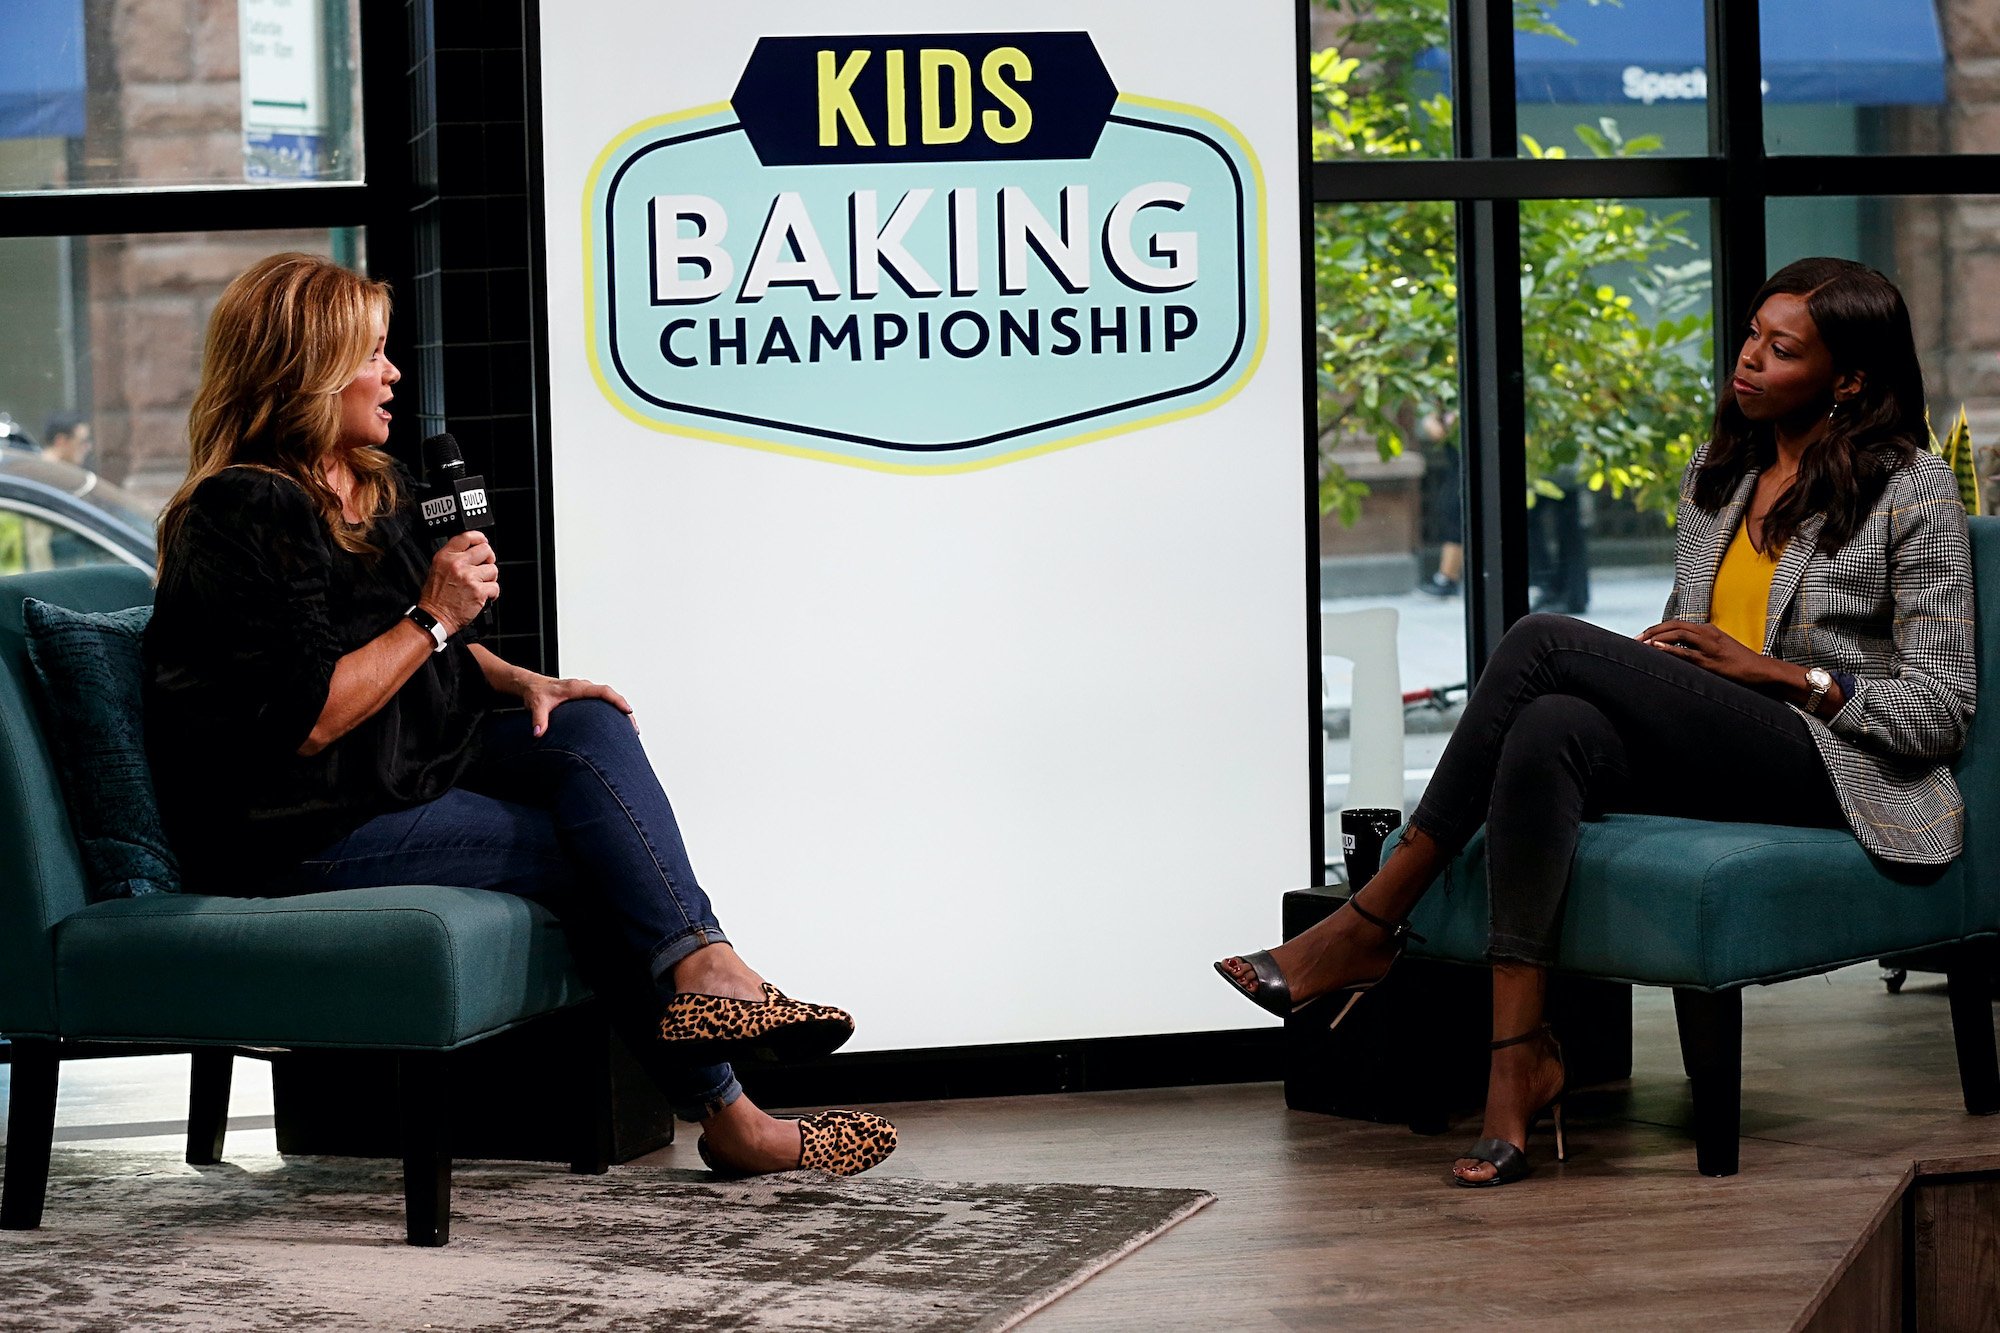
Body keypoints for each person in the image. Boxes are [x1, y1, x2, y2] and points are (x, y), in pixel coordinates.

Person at [1217, 257, 1974, 1187]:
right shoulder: (1721, 472)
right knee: (1550, 728)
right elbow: (1686, 637)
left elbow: (1940, 711)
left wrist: (1781, 672)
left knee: (1542, 640)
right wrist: (1674, 672)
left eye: (1782, 350)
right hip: (1719, 741)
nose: (1749, 361)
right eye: (1750, 337)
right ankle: (1519, 1065)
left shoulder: (1913, 486)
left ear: (1849, 378)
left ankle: (1375, 913)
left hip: (1832, 763)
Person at [143, 253, 897, 1178]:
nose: (393, 375)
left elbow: (404, 644)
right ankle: (729, 1101)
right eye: (372, 356)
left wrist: (514, 678)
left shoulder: (361, 483)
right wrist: (435, 613)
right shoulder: (242, 509)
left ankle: (707, 967)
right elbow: (308, 715)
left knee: (588, 726)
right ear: (307, 366)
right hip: (294, 827)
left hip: (388, 772)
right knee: (587, 855)